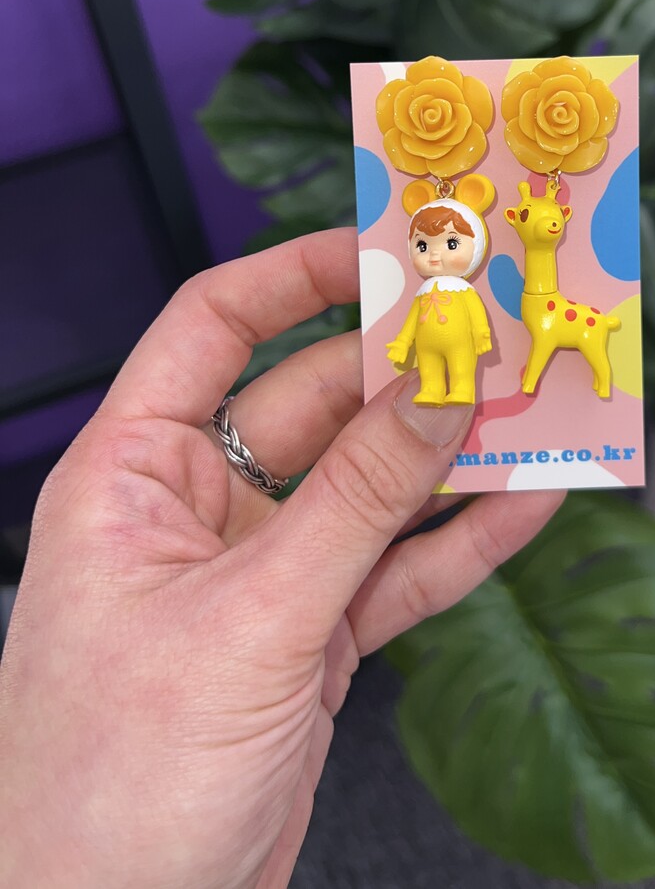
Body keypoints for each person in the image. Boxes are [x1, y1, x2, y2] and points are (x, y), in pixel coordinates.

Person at [0, 229, 564, 887]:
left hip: (458, 356)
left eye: (449, 244)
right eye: (426, 244)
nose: (436, 254)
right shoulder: (430, 297)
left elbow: (477, 329)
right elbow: (412, 332)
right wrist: (403, 355)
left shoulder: (458, 297)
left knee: (451, 383)